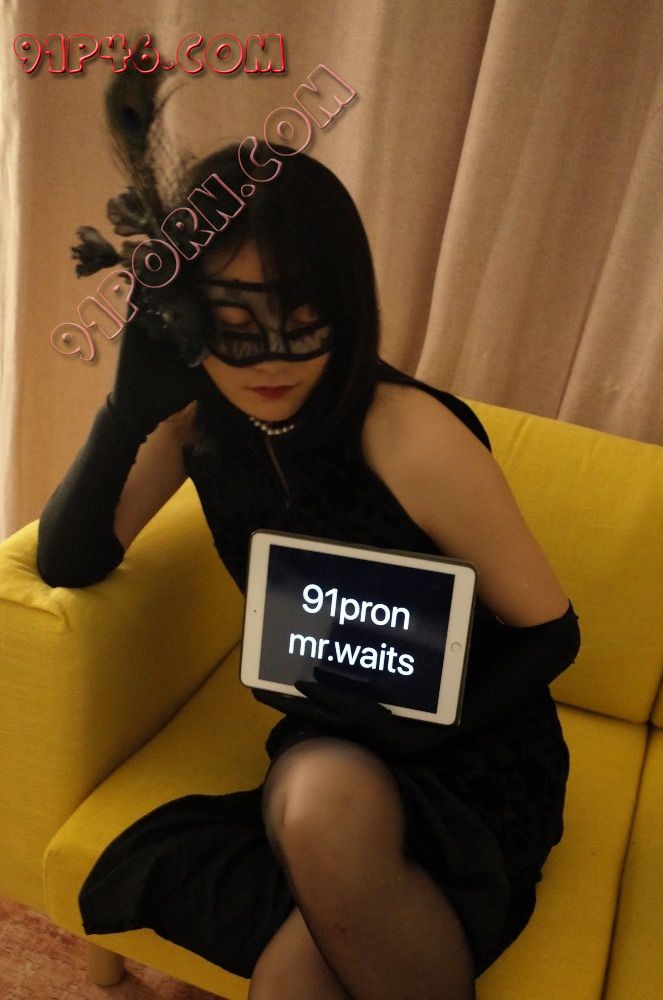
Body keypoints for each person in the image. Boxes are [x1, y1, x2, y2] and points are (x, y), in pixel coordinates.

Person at [37, 141, 581, 1000]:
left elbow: (551, 632)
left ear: (345, 305)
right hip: (332, 740)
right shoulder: (197, 424)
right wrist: (125, 410)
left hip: (472, 746)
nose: (271, 362)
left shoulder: (407, 433)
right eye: (234, 329)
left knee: (304, 946)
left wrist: (414, 732)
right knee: (323, 796)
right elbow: (70, 560)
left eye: (302, 321)